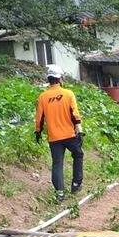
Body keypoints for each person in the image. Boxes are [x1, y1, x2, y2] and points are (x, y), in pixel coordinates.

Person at [34, 64, 83, 202]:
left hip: (54, 137)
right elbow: (75, 114)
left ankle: (60, 193)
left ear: (49, 79)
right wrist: (79, 130)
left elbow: (39, 118)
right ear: (60, 78)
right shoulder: (68, 94)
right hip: (69, 134)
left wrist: (38, 131)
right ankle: (76, 183)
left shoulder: (43, 97)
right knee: (78, 154)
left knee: (57, 164)